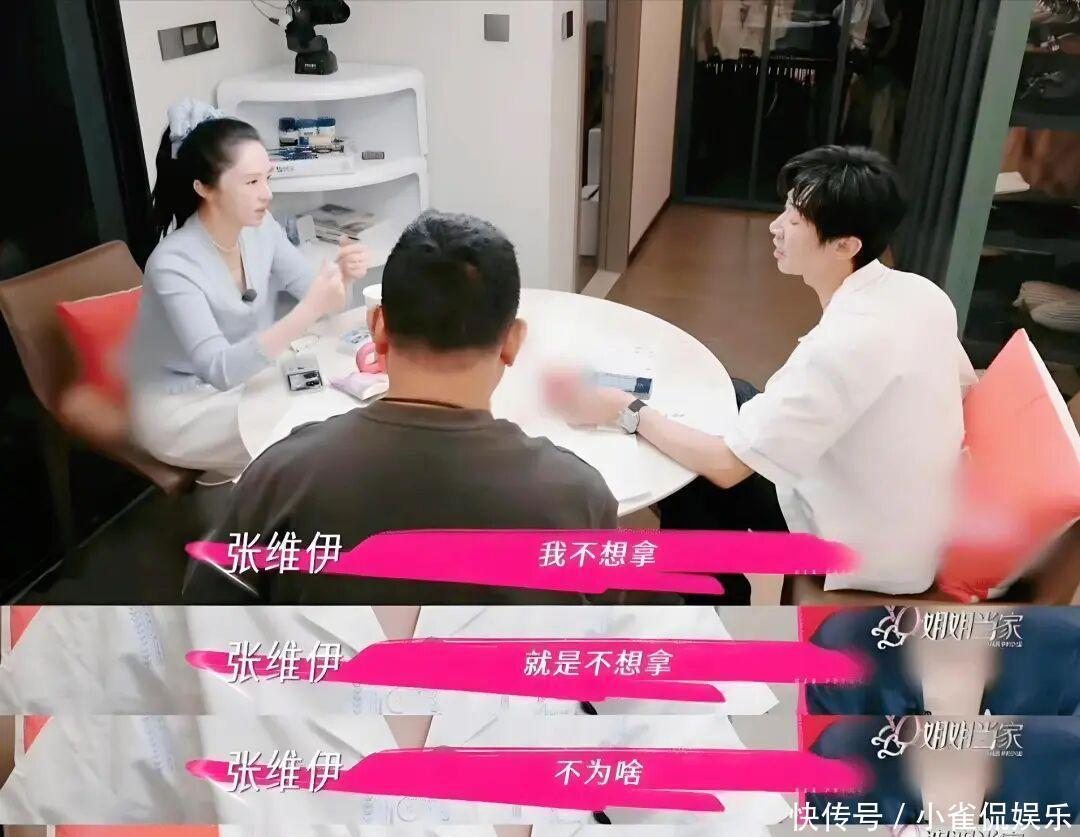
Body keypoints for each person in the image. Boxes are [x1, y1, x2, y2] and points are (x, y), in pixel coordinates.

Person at [547, 145, 977, 598]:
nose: (776, 227)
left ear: (845, 246)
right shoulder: (919, 293)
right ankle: (712, 583)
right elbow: (963, 382)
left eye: (795, 220)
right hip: (893, 506)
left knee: (696, 475)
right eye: (786, 209)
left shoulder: (843, 345)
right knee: (729, 396)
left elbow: (727, 467)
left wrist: (626, 410)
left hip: (858, 540)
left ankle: (709, 601)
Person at [183, 210, 620, 604]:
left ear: (378, 327)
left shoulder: (282, 476)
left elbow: (206, 614)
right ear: (512, 342)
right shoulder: (577, 496)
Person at [127, 100, 370, 478]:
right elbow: (219, 369)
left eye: (267, 178)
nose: (267, 194)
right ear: (204, 188)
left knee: (337, 396)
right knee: (312, 432)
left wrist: (343, 278)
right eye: (252, 182)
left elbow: (326, 302)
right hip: (182, 409)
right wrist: (308, 309)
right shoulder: (172, 264)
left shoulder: (260, 229)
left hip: (249, 379)